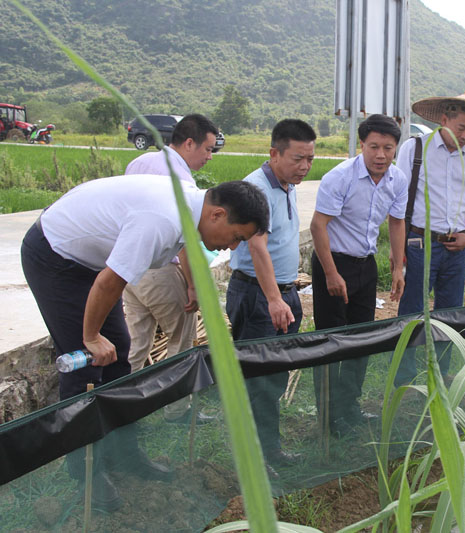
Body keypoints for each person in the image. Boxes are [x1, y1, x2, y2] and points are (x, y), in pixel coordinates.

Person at [20, 177, 268, 511]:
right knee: (86, 363)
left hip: (88, 262)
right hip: (55, 257)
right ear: (217, 215)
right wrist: (90, 337)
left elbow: (121, 273)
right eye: (237, 237)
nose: (233, 247)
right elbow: (109, 282)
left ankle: (125, 455)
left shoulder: (189, 208)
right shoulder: (162, 220)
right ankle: (86, 475)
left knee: (120, 356)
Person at [393, 93, 465, 387]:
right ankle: (404, 378)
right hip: (420, 243)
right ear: (443, 120)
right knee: (412, 312)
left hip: (456, 249)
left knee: (450, 312)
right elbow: (397, 196)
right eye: (461, 128)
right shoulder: (415, 149)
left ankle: (440, 371)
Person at [310, 114, 407, 435]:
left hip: (365, 265)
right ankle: (326, 417)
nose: (381, 155)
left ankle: (349, 407)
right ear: (361, 145)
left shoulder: (397, 180)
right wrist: (330, 274)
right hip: (332, 262)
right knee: (330, 341)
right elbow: (317, 226)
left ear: (396, 149)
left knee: (361, 339)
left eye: (388, 148)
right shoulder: (341, 178)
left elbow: (396, 222)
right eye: (374, 147)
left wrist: (397, 267)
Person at [226, 119, 316, 465]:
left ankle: (268, 449)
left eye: (309, 159)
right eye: (297, 159)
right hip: (258, 295)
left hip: (283, 291)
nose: (305, 167)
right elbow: (258, 249)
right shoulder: (257, 190)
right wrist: (275, 299)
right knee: (259, 380)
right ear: (273, 153)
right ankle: (256, 457)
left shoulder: (286, 184)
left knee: (274, 375)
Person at [122, 114, 219, 424]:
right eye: (207, 149)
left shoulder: (141, 162)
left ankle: (125, 406)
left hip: (127, 268)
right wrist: (192, 285)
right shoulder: (181, 180)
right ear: (188, 143)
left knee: (136, 341)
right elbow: (185, 241)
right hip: (159, 268)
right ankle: (177, 411)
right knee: (181, 338)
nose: (208, 157)